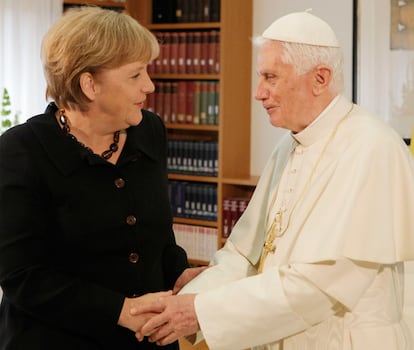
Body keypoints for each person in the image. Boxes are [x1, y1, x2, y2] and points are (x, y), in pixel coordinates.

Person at [131, 10, 414, 350]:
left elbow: (317, 287)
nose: (258, 92)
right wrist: (189, 298)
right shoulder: (289, 144)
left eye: (271, 77)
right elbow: (247, 254)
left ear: (320, 78)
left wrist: (200, 311)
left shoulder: (372, 148)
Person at [0, 6, 194, 350]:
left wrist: (179, 273)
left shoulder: (149, 130)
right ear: (89, 84)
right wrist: (120, 309)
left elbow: (157, 234)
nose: (149, 85)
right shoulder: (20, 151)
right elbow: (22, 277)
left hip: (147, 339)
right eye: (135, 75)